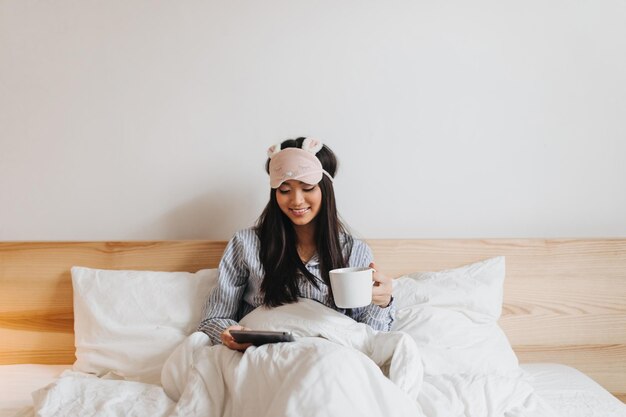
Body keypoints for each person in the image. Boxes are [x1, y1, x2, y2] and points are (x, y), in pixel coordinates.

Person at [198, 137, 394, 351]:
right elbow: (214, 318)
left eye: (307, 187)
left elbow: (364, 338)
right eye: (284, 190)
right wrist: (230, 335)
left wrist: (383, 303)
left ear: (326, 190)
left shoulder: (354, 251)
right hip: (264, 354)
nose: (296, 200)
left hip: (327, 354)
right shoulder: (245, 244)